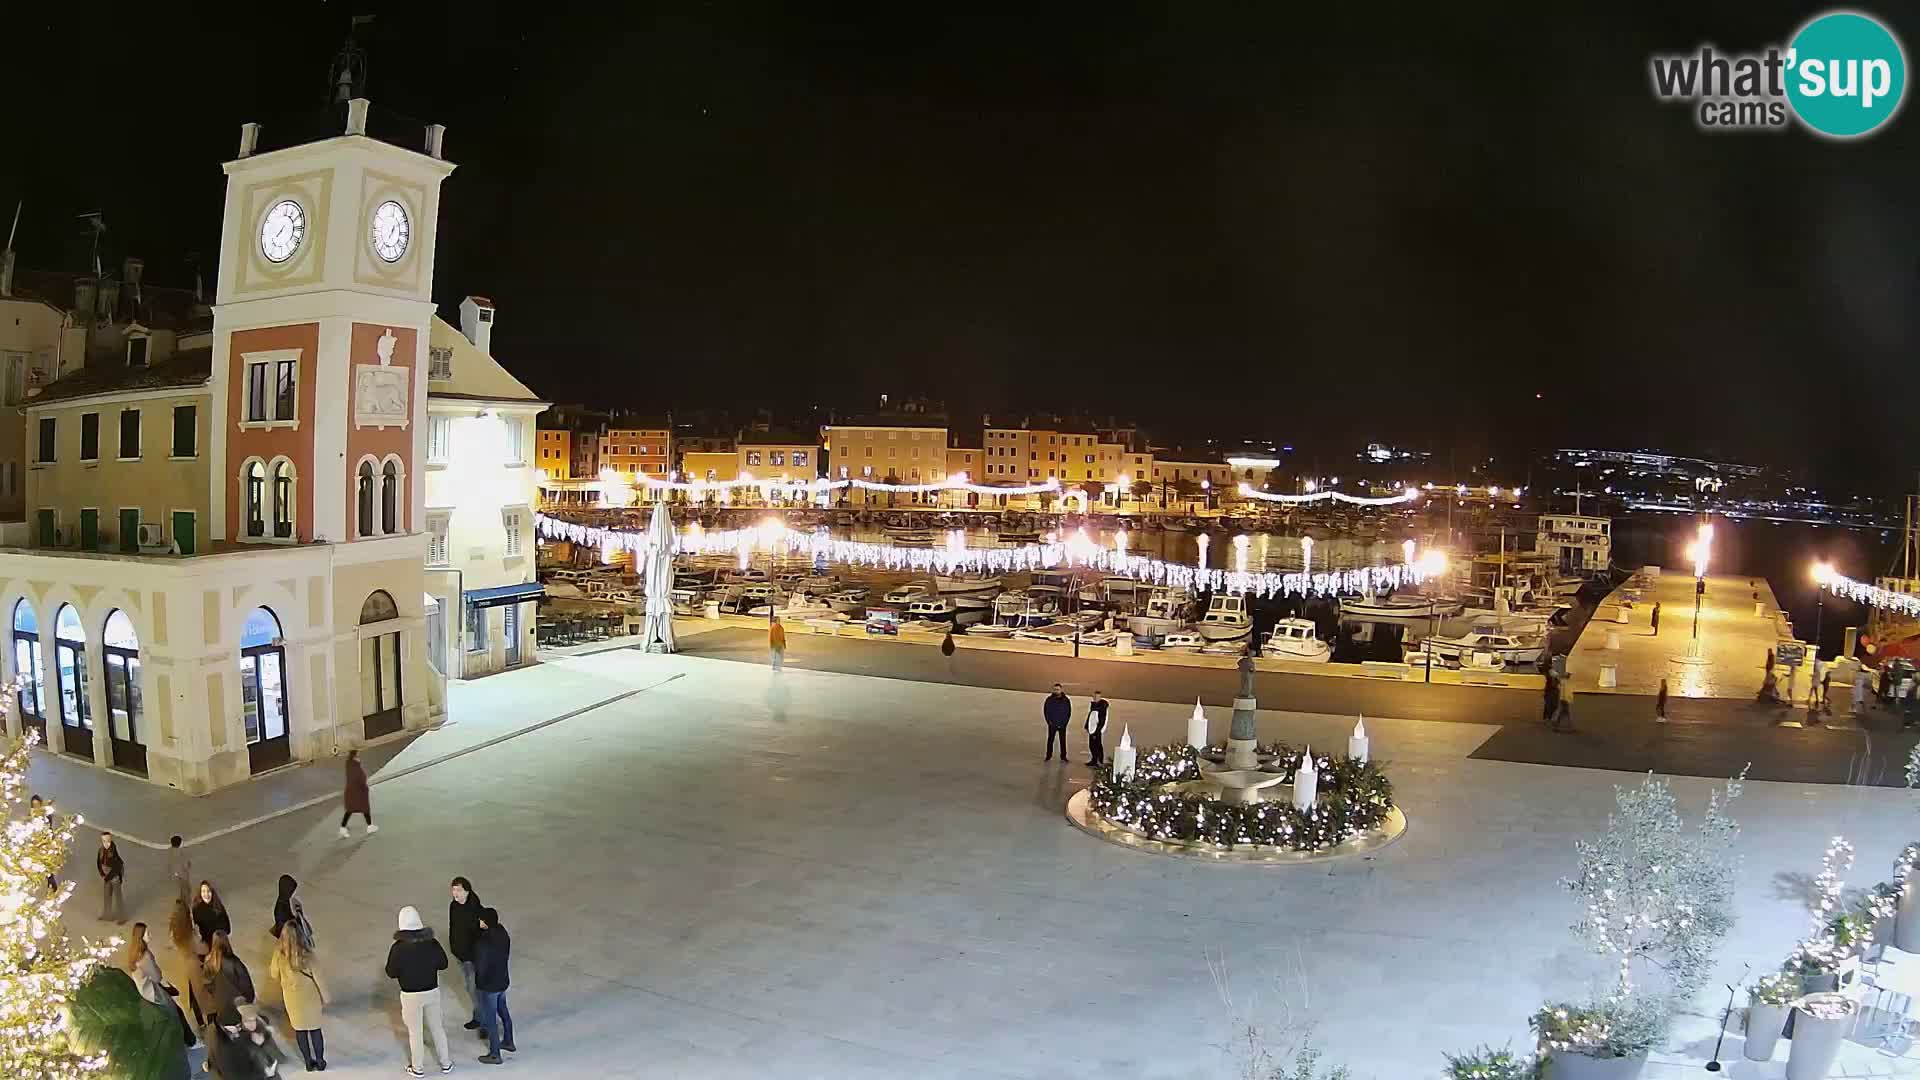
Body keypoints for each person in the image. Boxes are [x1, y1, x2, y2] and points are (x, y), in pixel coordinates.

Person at [385, 905, 454, 1076]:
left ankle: (418, 1068)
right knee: (437, 1028)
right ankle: (446, 1063)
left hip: (410, 996)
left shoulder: (398, 948)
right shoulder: (432, 943)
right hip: (432, 992)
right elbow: (443, 964)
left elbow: (391, 972)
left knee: (415, 1033)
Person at [268, 921, 330, 1072]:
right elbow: (319, 979)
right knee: (315, 1030)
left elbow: (273, 974)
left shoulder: (279, 954)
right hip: (310, 999)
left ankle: (308, 1062)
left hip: (292, 999)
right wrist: (326, 998)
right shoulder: (308, 955)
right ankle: (320, 1061)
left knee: (300, 1031)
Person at [471, 907, 515, 1064]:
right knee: (503, 1011)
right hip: (502, 980)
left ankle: (495, 1053)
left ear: (486, 922)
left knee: (490, 1020)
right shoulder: (503, 934)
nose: (479, 921)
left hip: (489, 986)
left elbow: (481, 966)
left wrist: (479, 983)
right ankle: (509, 1041)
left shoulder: (484, 942)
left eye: (481, 919)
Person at [449, 878, 485, 1033]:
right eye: (453, 889)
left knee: (474, 988)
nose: (455, 893)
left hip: (473, 956)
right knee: (471, 988)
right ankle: (479, 1017)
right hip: (461, 954)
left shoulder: (474, 907)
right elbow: (454, 927)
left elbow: (478, 929)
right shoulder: (453, 906)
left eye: (458, 890)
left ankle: (484, 1021)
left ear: (467, 891)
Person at [169, 897, 211, 1027]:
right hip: (196, 965)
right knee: (203, 993)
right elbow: (204, 949)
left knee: (193, 991)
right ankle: (209, 1022)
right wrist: (199, 935)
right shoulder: (191, 936)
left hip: (187, 965)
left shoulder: (176, 933)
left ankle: (199, 1021)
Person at [204, 931, 255, 1026]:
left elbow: (207, 985)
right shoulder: (235, 962)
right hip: (236, 1007)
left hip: (220, 1007)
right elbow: (247, 986)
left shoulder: (208, 961)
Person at [233, 1002, 289, 1077]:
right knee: (256, 1052)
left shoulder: (260, 1025)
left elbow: (267, 1032)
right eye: (247, 1021)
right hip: (253, 1062)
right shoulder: (239, 1034)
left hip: (265, 1052)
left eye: (253, 1020)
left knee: (269, 1047)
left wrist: (264, 1038)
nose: (251, 1024)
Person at [339, 750, 376, 839]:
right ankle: (343, 828)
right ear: (354, 756)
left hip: (354, 792)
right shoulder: (354, 766)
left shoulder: (350, 765)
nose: (359, 757)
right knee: (361, 809)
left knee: (352, 810)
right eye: (357, 755)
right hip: (357, 792)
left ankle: (369, 826)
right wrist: (364, 785)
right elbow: (359, 778)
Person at [271, 874, 314, 949]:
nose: (291, 894)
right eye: (291, 891)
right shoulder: (280, 908)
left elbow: (289, 916)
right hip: (287, 939)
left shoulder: (285, 901)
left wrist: (297, 916)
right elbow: (282, 925)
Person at [193, 881, 231, 953]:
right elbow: (197, 927)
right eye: (203, 891)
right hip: (206, 944)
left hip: (220, 943)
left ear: (212, 892)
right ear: (200, 893)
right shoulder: (196, 908)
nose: (206, 894)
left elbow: (228, 929)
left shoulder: (219, 907)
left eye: (208, 891)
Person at [97, 831, 126, 923]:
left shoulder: (113, 852)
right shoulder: (101, 850)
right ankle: (107, 915)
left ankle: (122, 917)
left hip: (114, 877)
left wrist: (107, 877)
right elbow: (98, 862)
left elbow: (117, 867)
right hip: (106, 876)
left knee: (118, 898)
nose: (106, 843)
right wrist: (102, 873)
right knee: (107, 896)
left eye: (108, 841)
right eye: (104, 841)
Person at [30, 795, 57, 893]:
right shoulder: (32, 815)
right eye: (34, 804)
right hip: (34, 842)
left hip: (45, 842)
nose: (36, 806)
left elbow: (49, 826)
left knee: (47, 862)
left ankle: (51, 882)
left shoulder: (44, 816)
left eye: (37, 804)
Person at [1043, 683, 1071, 763]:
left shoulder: (1066, 700)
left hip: (1062, 725)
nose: (1056, 691)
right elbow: (1046, 712)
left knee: (1063, 741)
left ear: (1061, 690)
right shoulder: (1049, 700)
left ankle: (1063, 756)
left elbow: (1068, 712)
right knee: (1050, 740)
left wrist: (1065, 723)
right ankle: (1048, 756)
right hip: (1052, 724)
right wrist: (1049, 722)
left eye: (1058, 689)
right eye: (1055, 689)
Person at [1085, 691, 1110, 767]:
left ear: (1100, 697)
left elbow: (1102, 721)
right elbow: (1091, 717)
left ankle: (1099, 761)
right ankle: (1094, 760)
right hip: (1092, 729)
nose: (1095, 698)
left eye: (1097, 697)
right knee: (1092, 745)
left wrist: (1097, 731)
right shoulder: (1094, 706)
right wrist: (1087, 726)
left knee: (1097, 745)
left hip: (1096, 730)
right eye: (1094, 697)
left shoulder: (1101, 707)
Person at [166, 834, 192, 906]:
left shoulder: (170, 851)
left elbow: (169, 863)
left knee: (180, 887)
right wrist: (188, 865)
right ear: (180, 843)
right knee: (186, 887)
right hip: (182, 873)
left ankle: (181, 898)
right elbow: (185, 863)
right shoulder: (181, 852)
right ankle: (187, 902)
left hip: (175, 873)